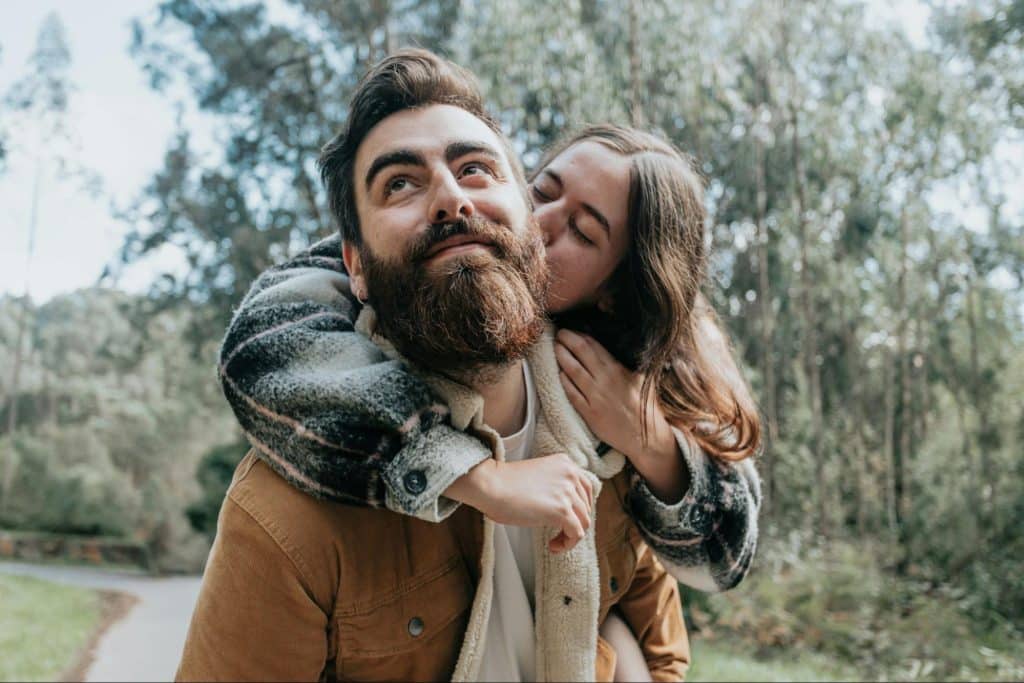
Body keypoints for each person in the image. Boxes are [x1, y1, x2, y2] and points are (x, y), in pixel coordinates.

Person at [216, 73, 763, 683]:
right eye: (541, 191)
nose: (541, 219)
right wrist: (477, 476)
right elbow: (266, 341)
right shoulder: (397, 255)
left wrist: (650, 439)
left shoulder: (615, 426)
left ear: (616, 293)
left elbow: (683, 600)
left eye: (584, 232)